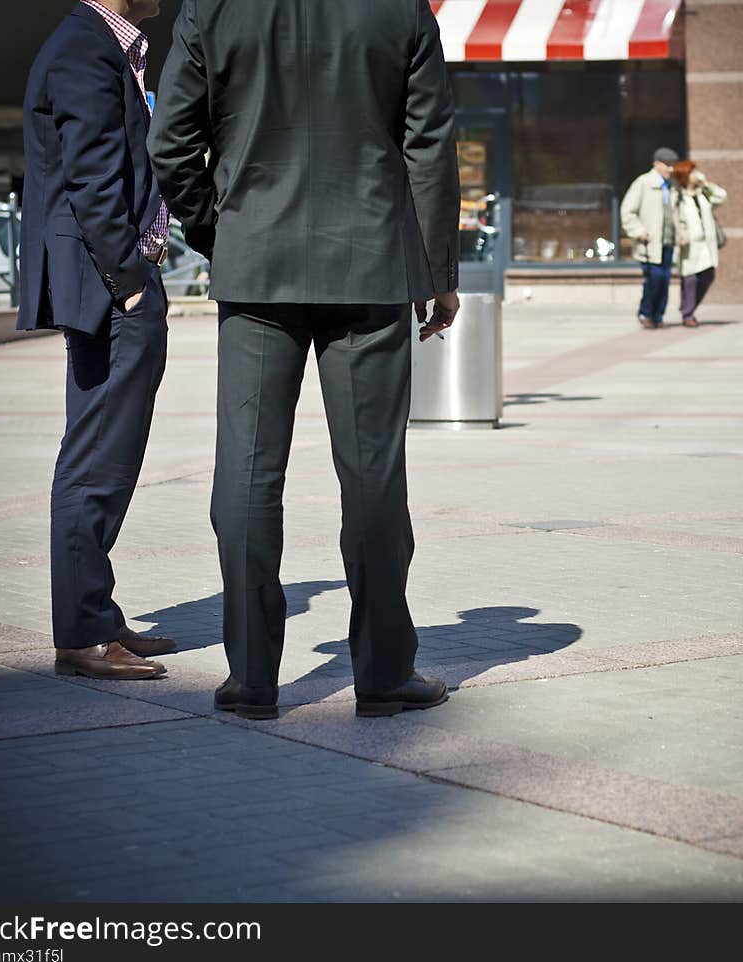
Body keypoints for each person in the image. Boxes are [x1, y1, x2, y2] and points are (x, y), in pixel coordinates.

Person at [148, 0, 460, 719]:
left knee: (247, 470)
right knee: (374, 475)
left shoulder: (213, 8)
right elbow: (430, 144)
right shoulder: (400, 9)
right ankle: (383, 674)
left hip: (257, 264)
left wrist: (220, 233)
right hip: (372, 264)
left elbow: (169, 143)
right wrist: (439, 271)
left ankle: (251, 677)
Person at [17, 0, 178, 680]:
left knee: (108, 458)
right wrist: (131, 281)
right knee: (94, 461)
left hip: (111, 285)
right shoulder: (85, 47)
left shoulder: (99, 46)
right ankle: (82, 633)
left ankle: (97, 616)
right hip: (109, 290)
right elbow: (89, 177)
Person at [620, 147, 680, 329]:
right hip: (650, 243)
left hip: (668, 242)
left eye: (673, 166)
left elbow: (678, 214)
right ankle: (646, 312)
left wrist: (682, 231)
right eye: (667, 165)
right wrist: (638, 231)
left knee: (664, 281)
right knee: (654, 279)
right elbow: (627, 211)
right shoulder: (643, 183)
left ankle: (658, 316)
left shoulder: (673, 187)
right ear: (657, 164)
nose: (671, 169)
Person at [673, 160, 727, 327]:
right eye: (692, 172)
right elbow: (675, 218)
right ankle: (687, 314)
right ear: (685, 176)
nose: (696, 174)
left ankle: (688, 308)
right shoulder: (678, 196)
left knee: (708, 276)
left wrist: (706, 183)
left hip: (706, 244)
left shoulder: (703, 193)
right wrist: (680, 233)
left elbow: (722, 196)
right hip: (690, 245)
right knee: (690, 279)